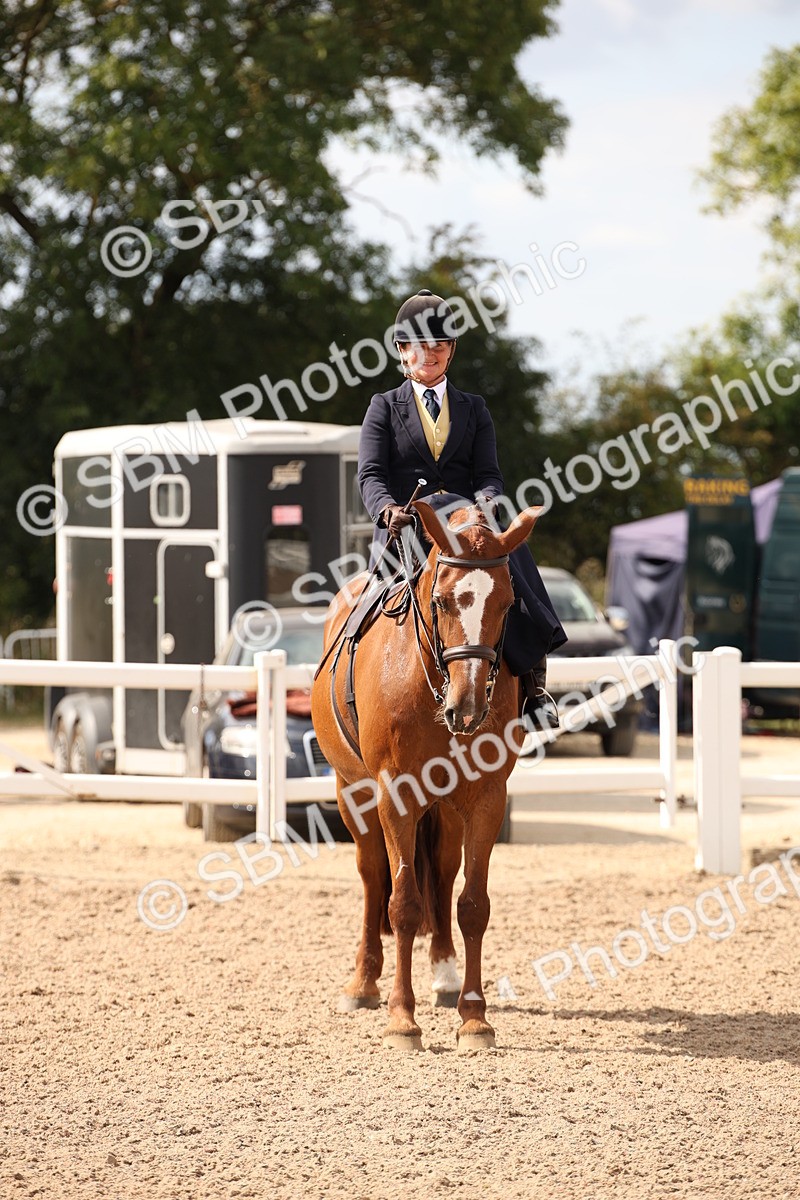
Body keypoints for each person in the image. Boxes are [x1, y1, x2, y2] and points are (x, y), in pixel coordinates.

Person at [357, 288, 567, 728]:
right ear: (402, 351)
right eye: (419, 346)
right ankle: (349, 684)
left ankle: (534, 683)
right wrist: (387, 509)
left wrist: (486, 502)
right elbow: (370, 474)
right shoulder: (383, 407)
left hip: (466, 521)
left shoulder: (475, 408)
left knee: (513, 566)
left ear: (450, 352)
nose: (429, 354)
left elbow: (490, 474)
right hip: (409, 524)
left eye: (439, 346)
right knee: (364, 609)